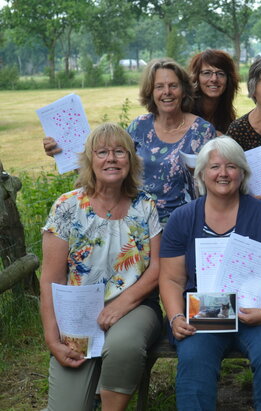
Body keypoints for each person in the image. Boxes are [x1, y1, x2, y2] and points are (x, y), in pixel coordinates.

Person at [159, 136, 261, 410]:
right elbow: (172, 278)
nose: (223, 173)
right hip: (206, 310)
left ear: (242, 173)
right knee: (195, 358)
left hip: (255, 308)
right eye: (214, 166)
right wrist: (175, 317)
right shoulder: (183, 218)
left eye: (231, 166)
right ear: (201, 174)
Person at [39, 123, 162, 411]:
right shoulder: (67, 207)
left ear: (130, 160)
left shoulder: (145, 205)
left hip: (135, 308)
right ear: (89, 161)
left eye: (120, 152)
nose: (111, 158)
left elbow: (158, 267)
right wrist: (52, 335)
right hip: (78, 315)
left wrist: (123, 304)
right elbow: (51, 279)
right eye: (102, 152)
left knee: (124, 345)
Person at [43, 58, 216, 224]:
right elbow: (110, 167)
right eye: (159, 87)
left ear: (184, 90)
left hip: (183, 225)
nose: (167, 92)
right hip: (136, 223)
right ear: (150, 91)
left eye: (173, 86)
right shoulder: (139, 127)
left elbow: (212, 183)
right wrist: (63, 152)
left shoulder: (202, 131)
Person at [188, 49, 240, 134]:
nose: (214, 79)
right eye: (207, 73)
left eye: (220, 73)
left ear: (228, 79)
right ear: (196, 77)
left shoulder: (226, 114)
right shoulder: (186, 111)